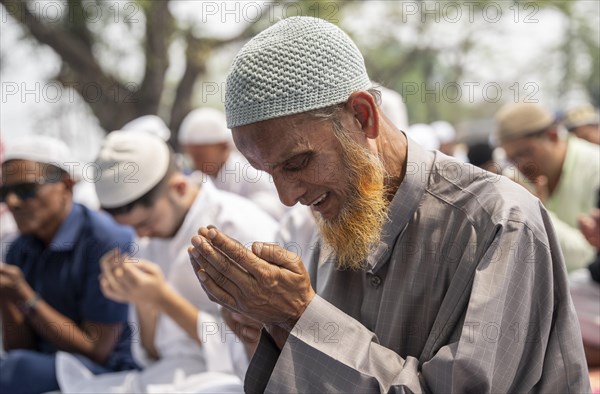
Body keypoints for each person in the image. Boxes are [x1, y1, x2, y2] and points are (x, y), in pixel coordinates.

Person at [187, 17, 590, 392]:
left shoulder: (498, 223)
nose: (287, 197)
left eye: (297, 163)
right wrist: (271, 329)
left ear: (362, 117)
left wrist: (300, 318)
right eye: (268, 172)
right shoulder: (327, 222)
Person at [57, 130, 278, 393]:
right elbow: (152, 353)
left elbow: (255, 351)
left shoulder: (240, 228)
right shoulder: (150, 239)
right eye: (132, 228)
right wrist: (141, 298)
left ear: (179, 188)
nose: (140, 235)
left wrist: (162, 298)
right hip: (167, 376)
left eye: (145, 223)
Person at [0, 135, 136, 393]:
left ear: (66, 185)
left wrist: (24, 296)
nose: (12, 202)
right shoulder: (20, 247)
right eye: (4, 193)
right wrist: (7, 297)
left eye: (26, 190)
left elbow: (97, 350)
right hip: (44, 363)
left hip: (109, 372)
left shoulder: (106, 242)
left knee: (16, 369)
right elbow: (19, 347)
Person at [496, 102, 600, 271]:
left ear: (552, 136)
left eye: (524, 154)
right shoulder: (517, 178)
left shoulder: (595, 167)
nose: (521, 165)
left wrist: (537, 212)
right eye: (512, 159)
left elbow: (589, 257)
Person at [179, 107, 288, 221]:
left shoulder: (252, 176)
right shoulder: (200, 179)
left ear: (223, 147)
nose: (194, 162)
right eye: (190, 156)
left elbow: (273, 214)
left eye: (199, 156)